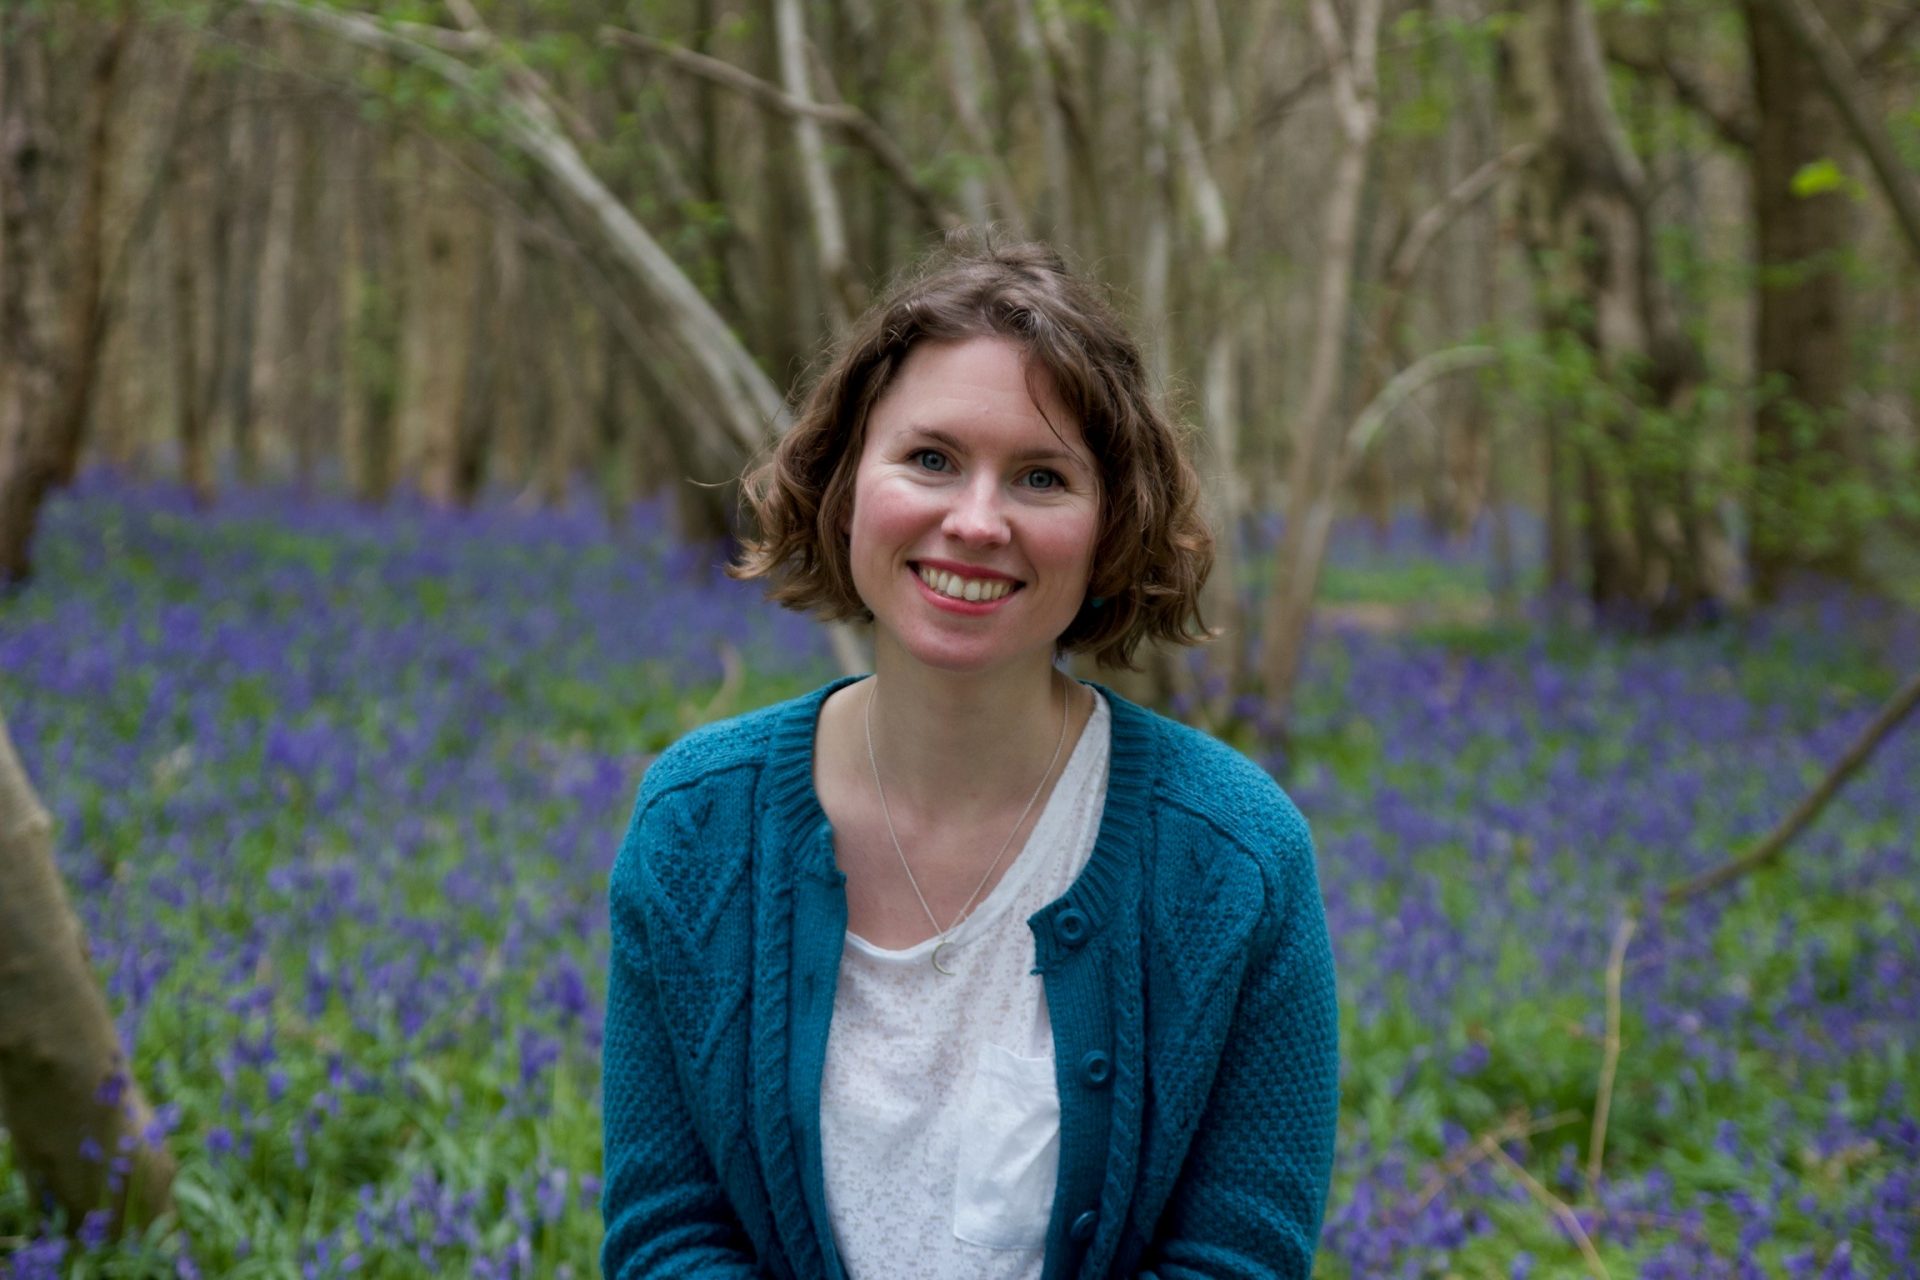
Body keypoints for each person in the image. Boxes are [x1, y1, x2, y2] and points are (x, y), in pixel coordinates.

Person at [600, 236, 1338, 1279]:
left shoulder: (1234, 858)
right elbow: (667, 1234)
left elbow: (1237, 1258)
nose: (976, 521)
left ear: (1110, 525)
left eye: (1041, 476)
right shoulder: (695, 825)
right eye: (931, 458)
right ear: (849, 481)